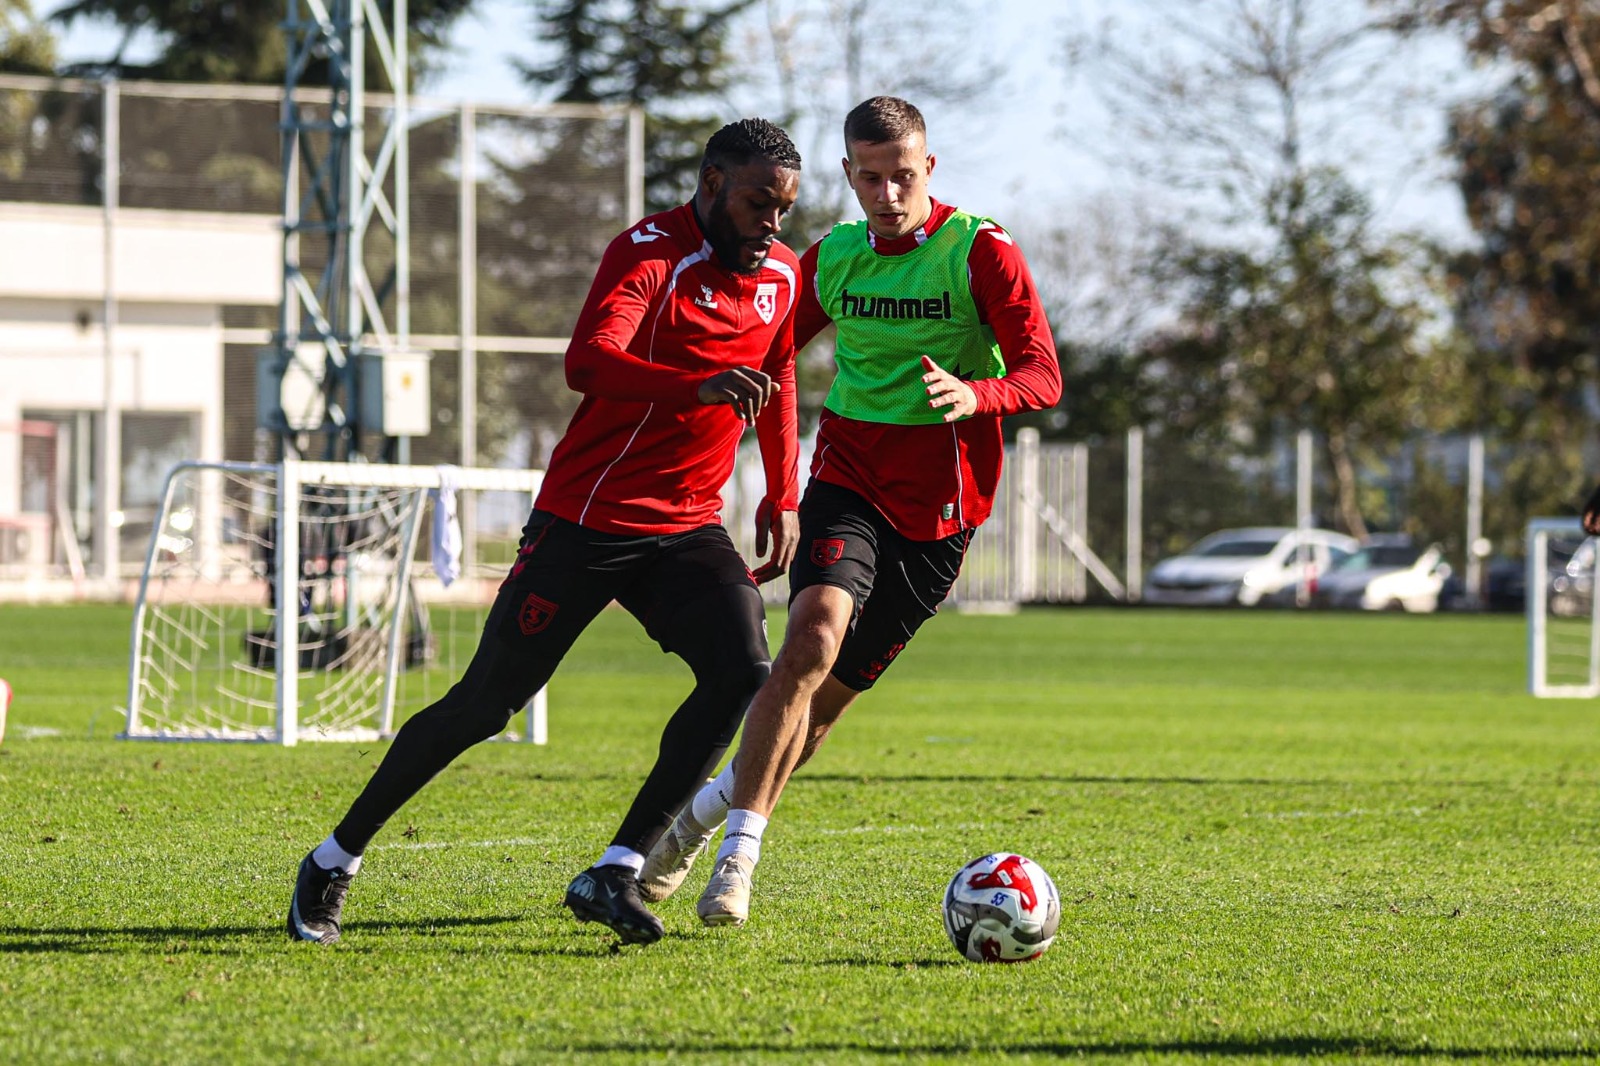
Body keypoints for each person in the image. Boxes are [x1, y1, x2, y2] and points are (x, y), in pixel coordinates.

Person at [287, 118, 805, 947]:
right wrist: (696, 386)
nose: (771, 224)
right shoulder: (647, 253)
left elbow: (777, 369)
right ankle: (333, 859)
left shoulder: (782, 272)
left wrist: (782, 487)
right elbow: (588, 362)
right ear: (711, 184)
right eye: (755, 203)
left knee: (742, 669)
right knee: (484, 706)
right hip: (586, 520)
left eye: (783, 208)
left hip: (687, 527)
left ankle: (617, 869)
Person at [638, 96, 1062, 926]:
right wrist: (780, 479)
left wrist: (975, 393)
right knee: (809, 639)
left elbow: (1043, 374)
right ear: (848, 176)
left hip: (942, 512)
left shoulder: (981, 251)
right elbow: (770, 360)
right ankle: (737, 864)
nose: (888, 193)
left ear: (928, 169)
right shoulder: (829, 256)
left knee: (822, 707)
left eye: (903, 176)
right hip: (849, 478)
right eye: (870, 178)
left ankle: (698, 820)